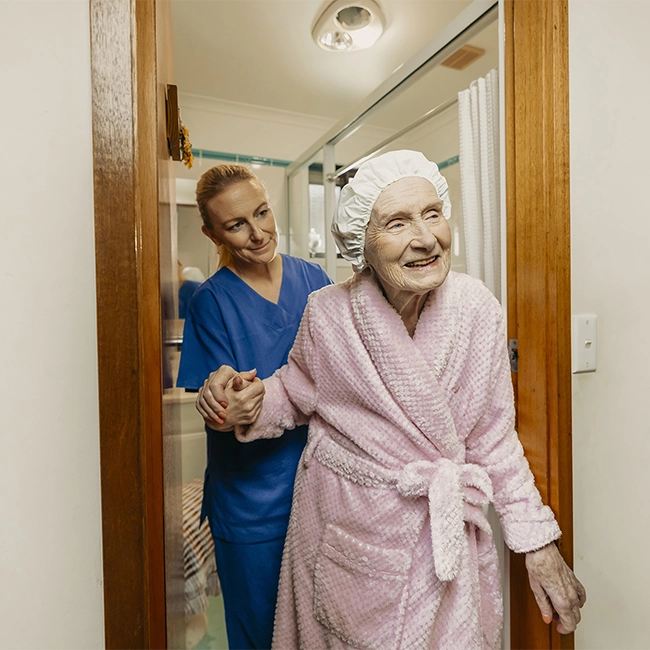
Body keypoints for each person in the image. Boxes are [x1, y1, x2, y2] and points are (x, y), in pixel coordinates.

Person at [197, 150, 586, 650]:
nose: (425, 238)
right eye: (398, 223)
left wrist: (536, 541)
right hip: (349, 535)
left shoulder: (476, 310)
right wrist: (244, 401)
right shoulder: (328, 313)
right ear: (363, 243)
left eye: (433, 214)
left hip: (439, 541)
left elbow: (493, 436)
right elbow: (293, 391)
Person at [176, 164, 332, 650]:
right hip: (252, 508)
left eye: (262, 212)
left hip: (323, 491)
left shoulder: (316, 280)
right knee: (261, 634)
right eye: (236, 225)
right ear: (211, 232)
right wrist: (228, 409)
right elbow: (221, 406)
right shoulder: (210, 302)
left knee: (325, 629)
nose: (258, 232)